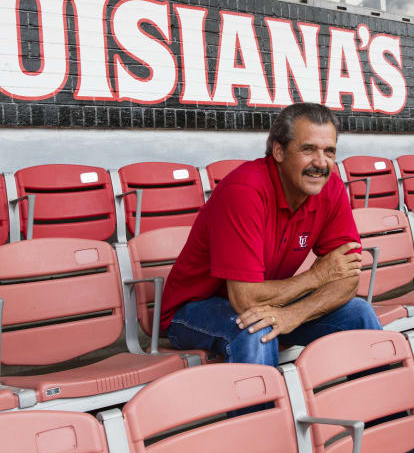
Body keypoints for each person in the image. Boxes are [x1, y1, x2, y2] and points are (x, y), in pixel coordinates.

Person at [159, 102, 381, 367]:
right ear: (279, 150)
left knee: (359, 313)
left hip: (272, 301)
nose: (321, 163)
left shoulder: (329, 187)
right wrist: (318, 276)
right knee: (257, 329)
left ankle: (385, 407)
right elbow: (245, 300)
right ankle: (262, 410)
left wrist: (295, 314)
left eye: (329, 151)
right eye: (308, 149)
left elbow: (347, 278)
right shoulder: (244, 191)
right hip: (191, 311)